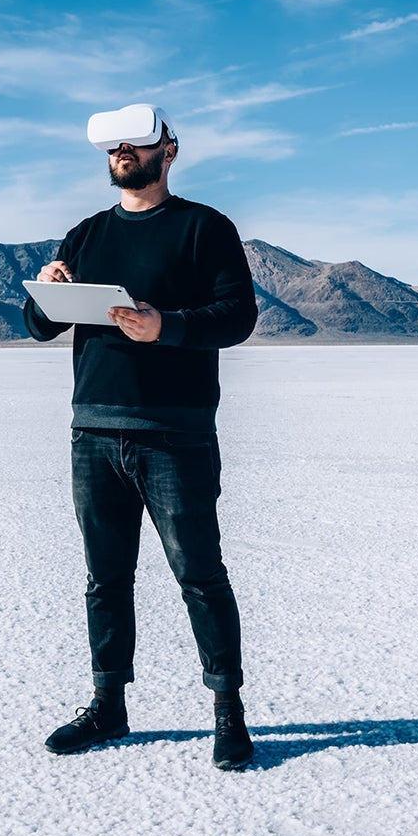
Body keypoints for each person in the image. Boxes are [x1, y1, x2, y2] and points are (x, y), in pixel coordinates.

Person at [22, 104, 259, 770]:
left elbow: (238, 314)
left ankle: (227, 710)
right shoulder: (85, 234)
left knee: (199, 574)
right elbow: (40, 328)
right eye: (114, 146)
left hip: (174, 434)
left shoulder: (204, 228)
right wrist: (44, 294)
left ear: (169, 150)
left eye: (137, 143)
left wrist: (168, 326)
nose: (123, 152)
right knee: (106, 578)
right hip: (93, 431)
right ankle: (108, 705)